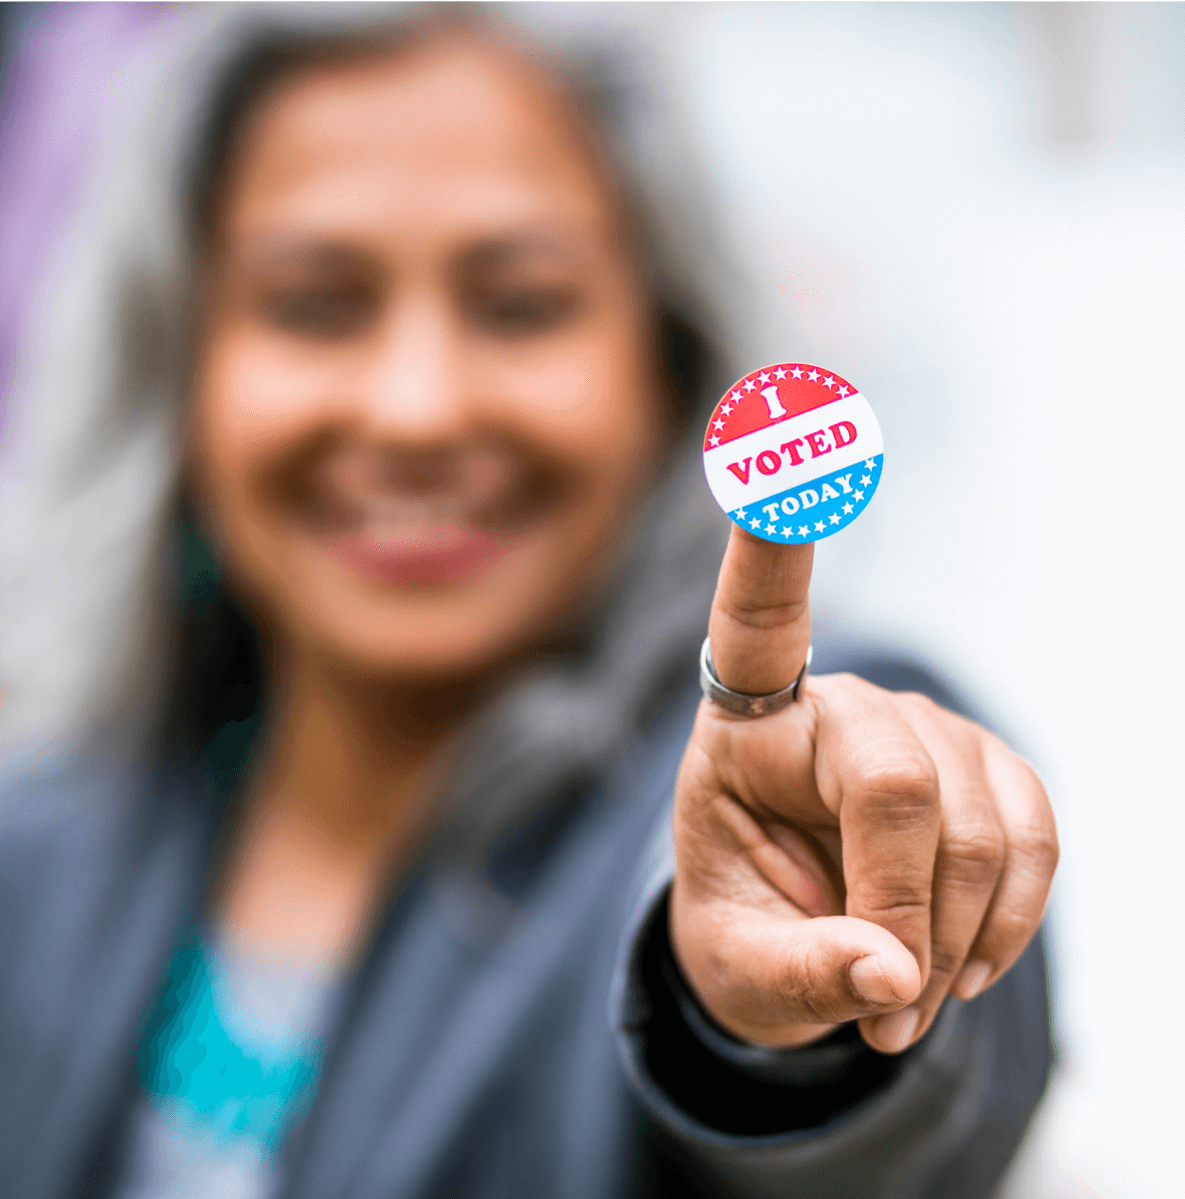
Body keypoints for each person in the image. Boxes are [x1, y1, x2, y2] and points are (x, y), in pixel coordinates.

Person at [0, 4, 1058, 1197]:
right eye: (312, 304)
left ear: (663, 359)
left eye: (521, 304)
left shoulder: (796, 766)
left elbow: (896, 1106)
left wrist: (770, 1021)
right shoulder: (49, 824)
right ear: (178, 367)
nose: (416, 409)